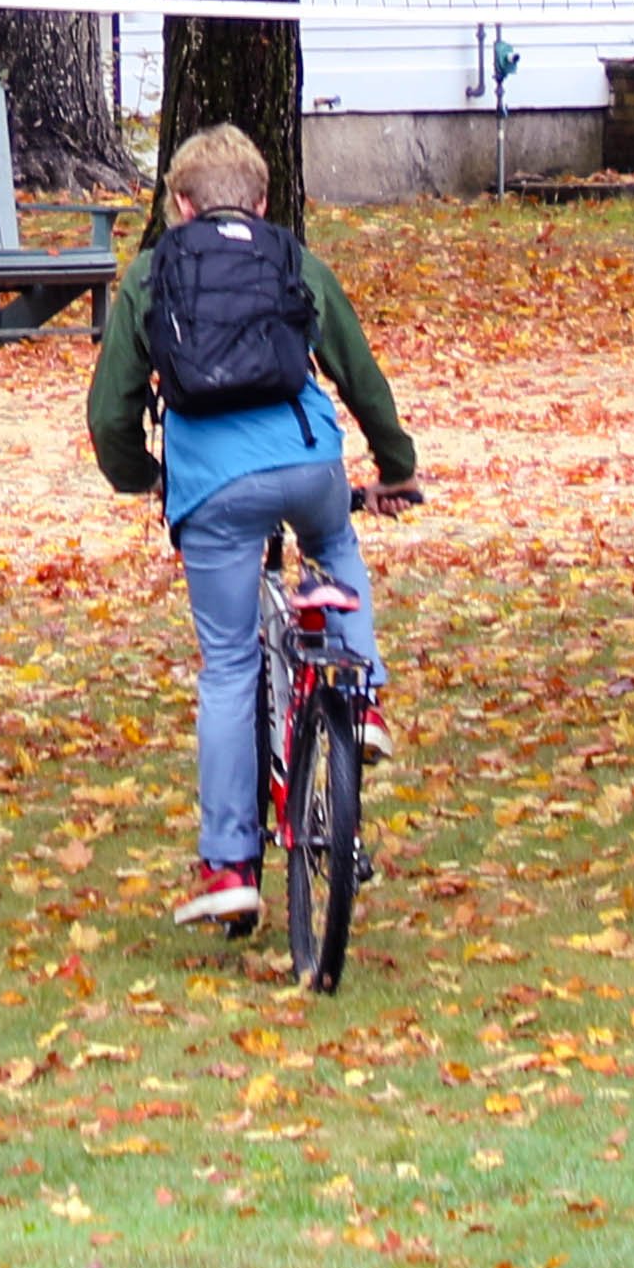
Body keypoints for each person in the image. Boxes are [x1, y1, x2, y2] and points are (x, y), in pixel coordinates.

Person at [83, 127, 421, 927]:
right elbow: (359, 373)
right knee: (335, 545)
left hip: (214, 491)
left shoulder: (151, 274)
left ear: (180, 205)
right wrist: (395, 464)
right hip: (310, 467)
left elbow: (110, 416)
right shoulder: (291, 258)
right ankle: (364, 699)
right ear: (264, 202)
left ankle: (230, 864)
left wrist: (146, 479)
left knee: (232, 665)